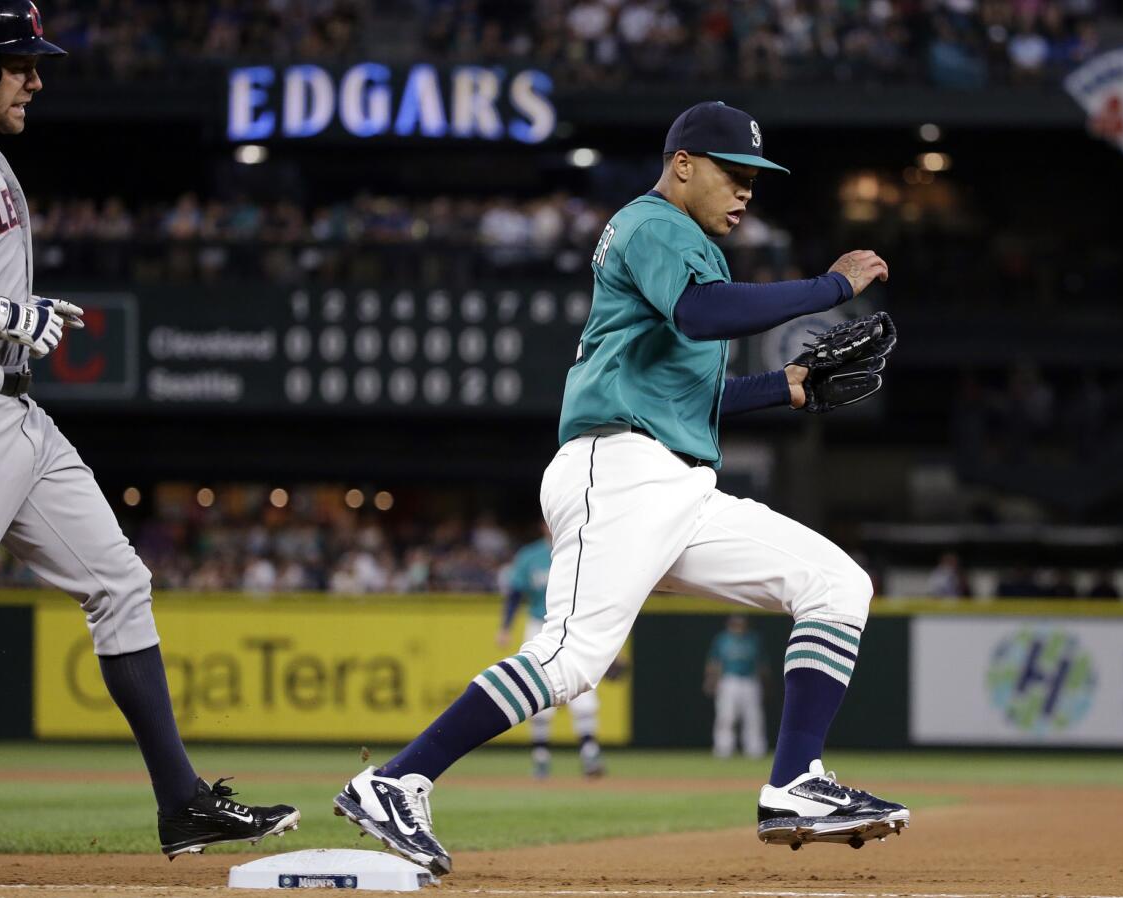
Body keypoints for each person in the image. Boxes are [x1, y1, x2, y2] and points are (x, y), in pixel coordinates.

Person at [333, 100, 907, 875]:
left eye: (754, 180)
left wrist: (788, 387)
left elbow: (685, 393)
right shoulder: (654, 226)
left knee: (836, 585)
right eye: (733, 175)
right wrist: (829, 287)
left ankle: (795, 785)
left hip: (671, 483)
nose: (745, 192)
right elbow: (703, 318)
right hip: (620, 470)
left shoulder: (685, 246)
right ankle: (395, 780)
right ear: (682, 165)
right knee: (570, 658)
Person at [0, 2, 298, 857]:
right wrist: (0, 310)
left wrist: (7, 315)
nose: (36, 79)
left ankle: (182, 802)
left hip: (15, 411)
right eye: (19, 65)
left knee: (120, 582)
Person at [498, 522, 605, 779]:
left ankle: (589, 752)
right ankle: (541, 757)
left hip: (575, 626)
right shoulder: (530, 556)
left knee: (583, 690)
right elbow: (515, 593)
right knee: (537, 689)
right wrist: (505, 627)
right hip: (539, 625)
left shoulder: (583, 549)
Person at [704, 614, 767, 759]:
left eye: (741, 624)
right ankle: (723, 749)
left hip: (750, 681)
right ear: (730, 624)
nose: (738, 627)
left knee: (753, 717)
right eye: (735, 624)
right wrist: (710, 681)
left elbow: (761, 664)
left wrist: (765, 683)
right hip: (728, 680)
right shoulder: (722, 639)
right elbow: (714, 662)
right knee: (726, 716)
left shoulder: (753, 639)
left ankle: (755, 750)